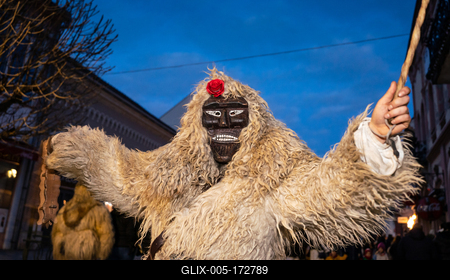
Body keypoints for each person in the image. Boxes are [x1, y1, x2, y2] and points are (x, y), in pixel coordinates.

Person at [46, 68, 422, 260]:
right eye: (214, 115)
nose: (225, 125)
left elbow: (328, 187)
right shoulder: (169, 171)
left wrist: (372, 138)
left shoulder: (275, 173)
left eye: (235, 114)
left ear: (254, 122)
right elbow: (124, 173)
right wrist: (81, 148)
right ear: (197, 124)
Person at [51, 183, 114, 260]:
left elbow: (55, 231)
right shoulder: (98, 210)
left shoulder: (65, 209)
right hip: (85, 253)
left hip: (63, 252)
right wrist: (101, 255)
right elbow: (106, 235)